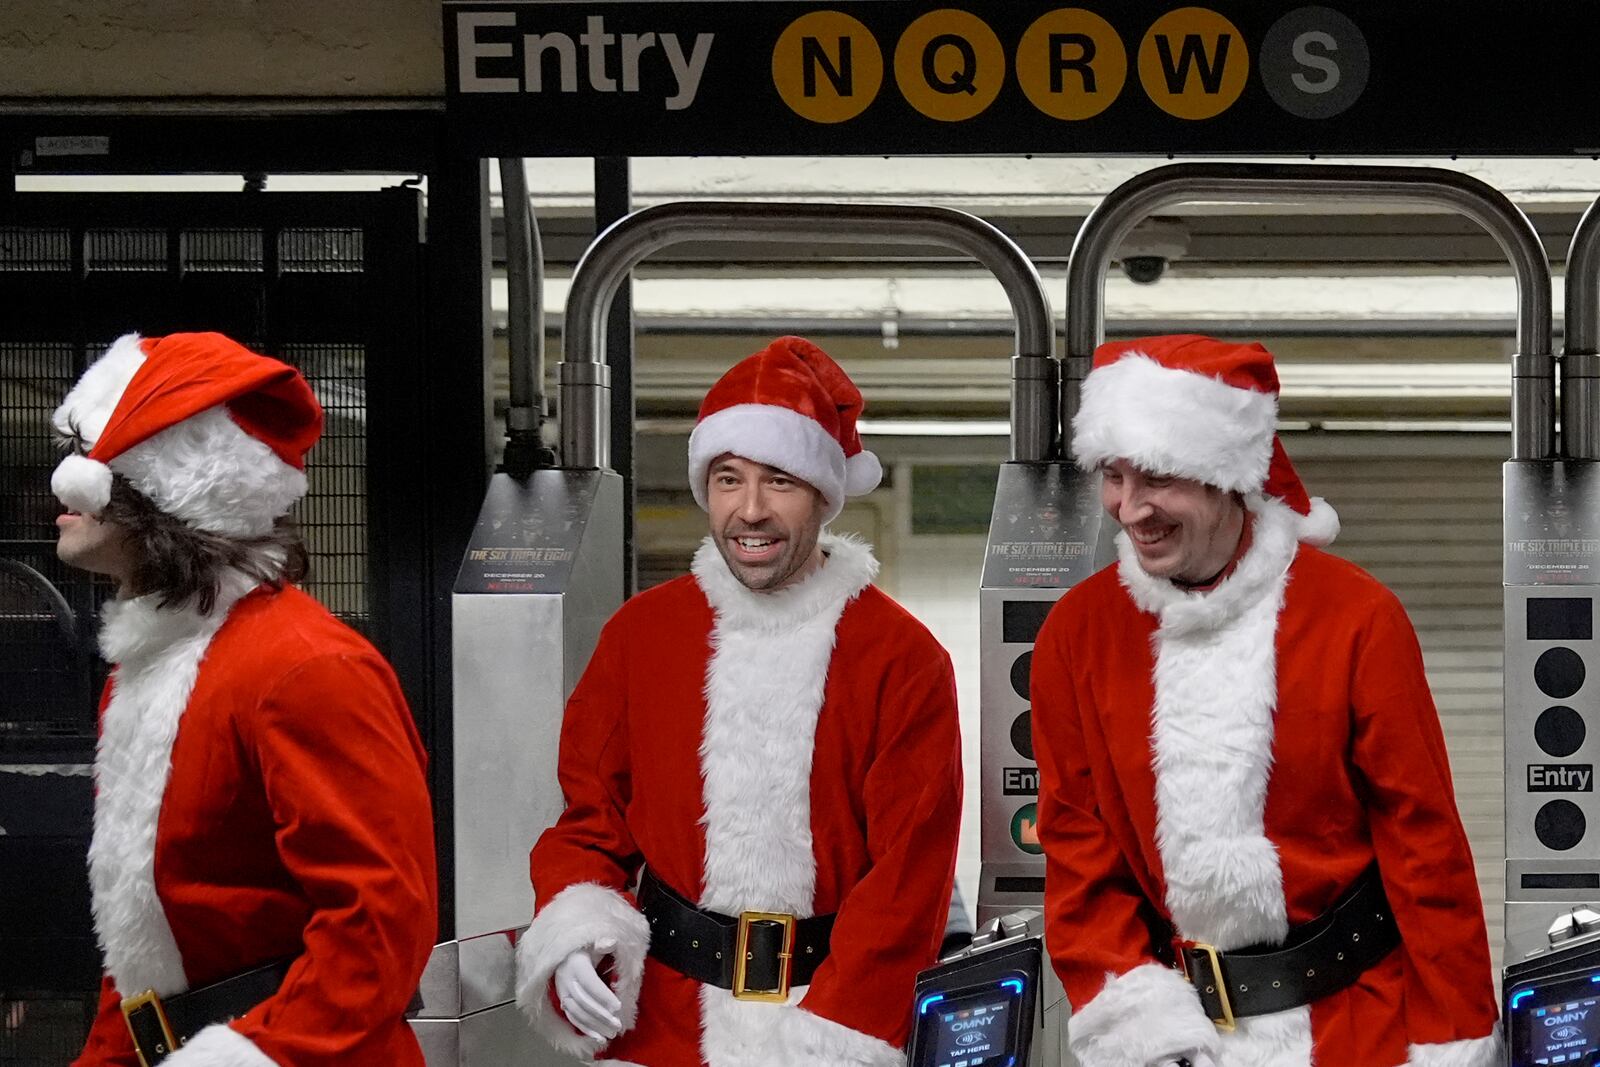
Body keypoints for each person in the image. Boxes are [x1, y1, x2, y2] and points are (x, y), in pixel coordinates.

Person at [1031, 335, 1501, 1067]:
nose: (1130, 506)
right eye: (1114, 475)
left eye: (1158, 476)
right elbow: (1080, 856)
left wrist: (1453, 1037)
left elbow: (1424, 846)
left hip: (1356, 1027)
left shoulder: (1356, 616)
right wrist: (1143, 1028)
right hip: (1175, 1039)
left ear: (1227, 476)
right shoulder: (1077, 633)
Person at [514, 335, 963, 1066]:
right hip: (659, 1033)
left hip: (827, 1026)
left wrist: (830, 1040)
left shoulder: (904, 659)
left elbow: (908, 884)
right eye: (728, 479)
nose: (749, 510)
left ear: (823, 492)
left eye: (779, 481)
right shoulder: (641, 636)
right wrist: (573, 931)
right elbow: (588, 824)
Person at [53, 332, 437, 1065]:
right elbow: (145, 951)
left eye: (93, 453)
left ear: (163, 491)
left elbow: (378, 924)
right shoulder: (153, 665)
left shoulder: (303, 667)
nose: (61, 484)